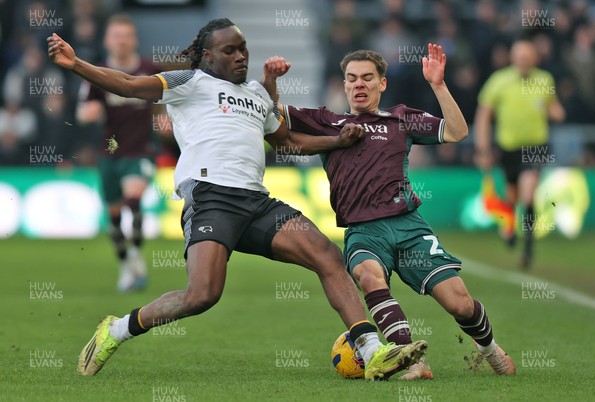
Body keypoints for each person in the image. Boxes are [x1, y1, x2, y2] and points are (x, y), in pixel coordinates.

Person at [47, 18, 427, 381]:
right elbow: (129, 84)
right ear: (209, 57)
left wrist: (336, 140)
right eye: (230, 51)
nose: (240, 56)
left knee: (327, 255)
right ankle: (116, 329)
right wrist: (76, 63)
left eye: (243, 48)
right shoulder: (189, 81)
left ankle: (372, 349)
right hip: (211, 197)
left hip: (257, 203)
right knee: (202, 295)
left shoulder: (258, 94)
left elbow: (287, 142)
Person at [267, 45, 516, 379]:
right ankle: (413, 361)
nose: (359, 84)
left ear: (381, 84)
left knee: (459, 302)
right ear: (343, 85)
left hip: (408, 226)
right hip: (363, 231)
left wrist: (439, 86)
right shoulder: (328, 122)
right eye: (352, 78)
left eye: (367, 78)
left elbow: (457, 131)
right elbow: (271, 113)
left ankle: (490, 350)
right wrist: (270, 79)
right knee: (368, 276)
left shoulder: (401, 118)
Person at [76, 14, 159, 292]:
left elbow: (169, 102)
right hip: (110, 153)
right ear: (107, 41)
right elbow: (82, 111)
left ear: (134, 39)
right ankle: (125, 264)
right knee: (113, 217)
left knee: (133, 202)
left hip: (140, 151)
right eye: (116, 36)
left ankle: (136, 258)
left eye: (126, 35)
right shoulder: (96, 74)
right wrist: (89, 114)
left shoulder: (151, 69)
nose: (122, 41)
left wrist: (169, 121)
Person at [474, 39, 565, 268]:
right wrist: (483, 149)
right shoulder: (499, 81)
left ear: (535, 58)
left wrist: (557, 112)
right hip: (509, 148)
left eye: (528, 57)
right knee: (512, 196)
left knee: (528, 192)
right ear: (513, 58)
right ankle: (511, 227)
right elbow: (484, 116)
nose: (524, 61)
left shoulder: (544, 80)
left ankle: (528, 247)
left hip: (536, 147)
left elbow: (554, 108)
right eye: (520, 56)